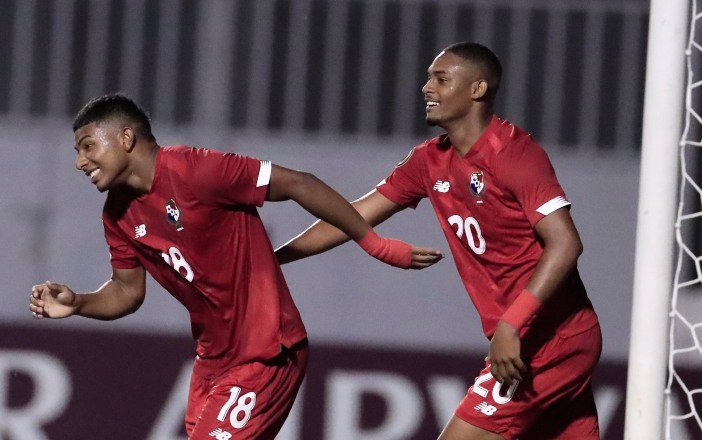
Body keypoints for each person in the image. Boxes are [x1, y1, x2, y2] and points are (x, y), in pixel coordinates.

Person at [28, 94, 442, 440]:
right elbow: (127, 291)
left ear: (125, 137)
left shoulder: (197, 170)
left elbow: (300, 183)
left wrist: (374, 243)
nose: (80, 162)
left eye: (87, 146)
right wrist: (79, 302)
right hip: (213, 361)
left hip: (267, 351)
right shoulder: (116, 214)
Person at [275, 42, 602, 439]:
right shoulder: (429, 161)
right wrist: (274, 258)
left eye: (441, 78)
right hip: (531, 340)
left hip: (550, 340)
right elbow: (353, 216)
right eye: (429, 77)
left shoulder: (516, 154)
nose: (426, 87)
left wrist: (511, 325)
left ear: (477, 90)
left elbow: (566, 244)